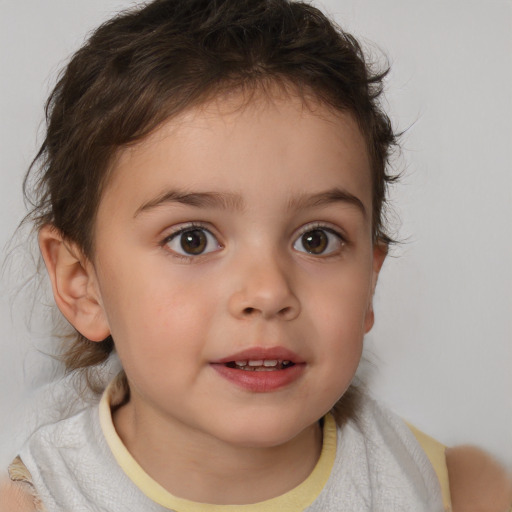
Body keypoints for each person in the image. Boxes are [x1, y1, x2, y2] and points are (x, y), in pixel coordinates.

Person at [1, 0, 510, 510]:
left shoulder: (450, 490)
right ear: (80, 283)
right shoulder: (37, 500)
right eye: (193, 239)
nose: (268, 292)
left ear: (369, 282)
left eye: (317, 239)